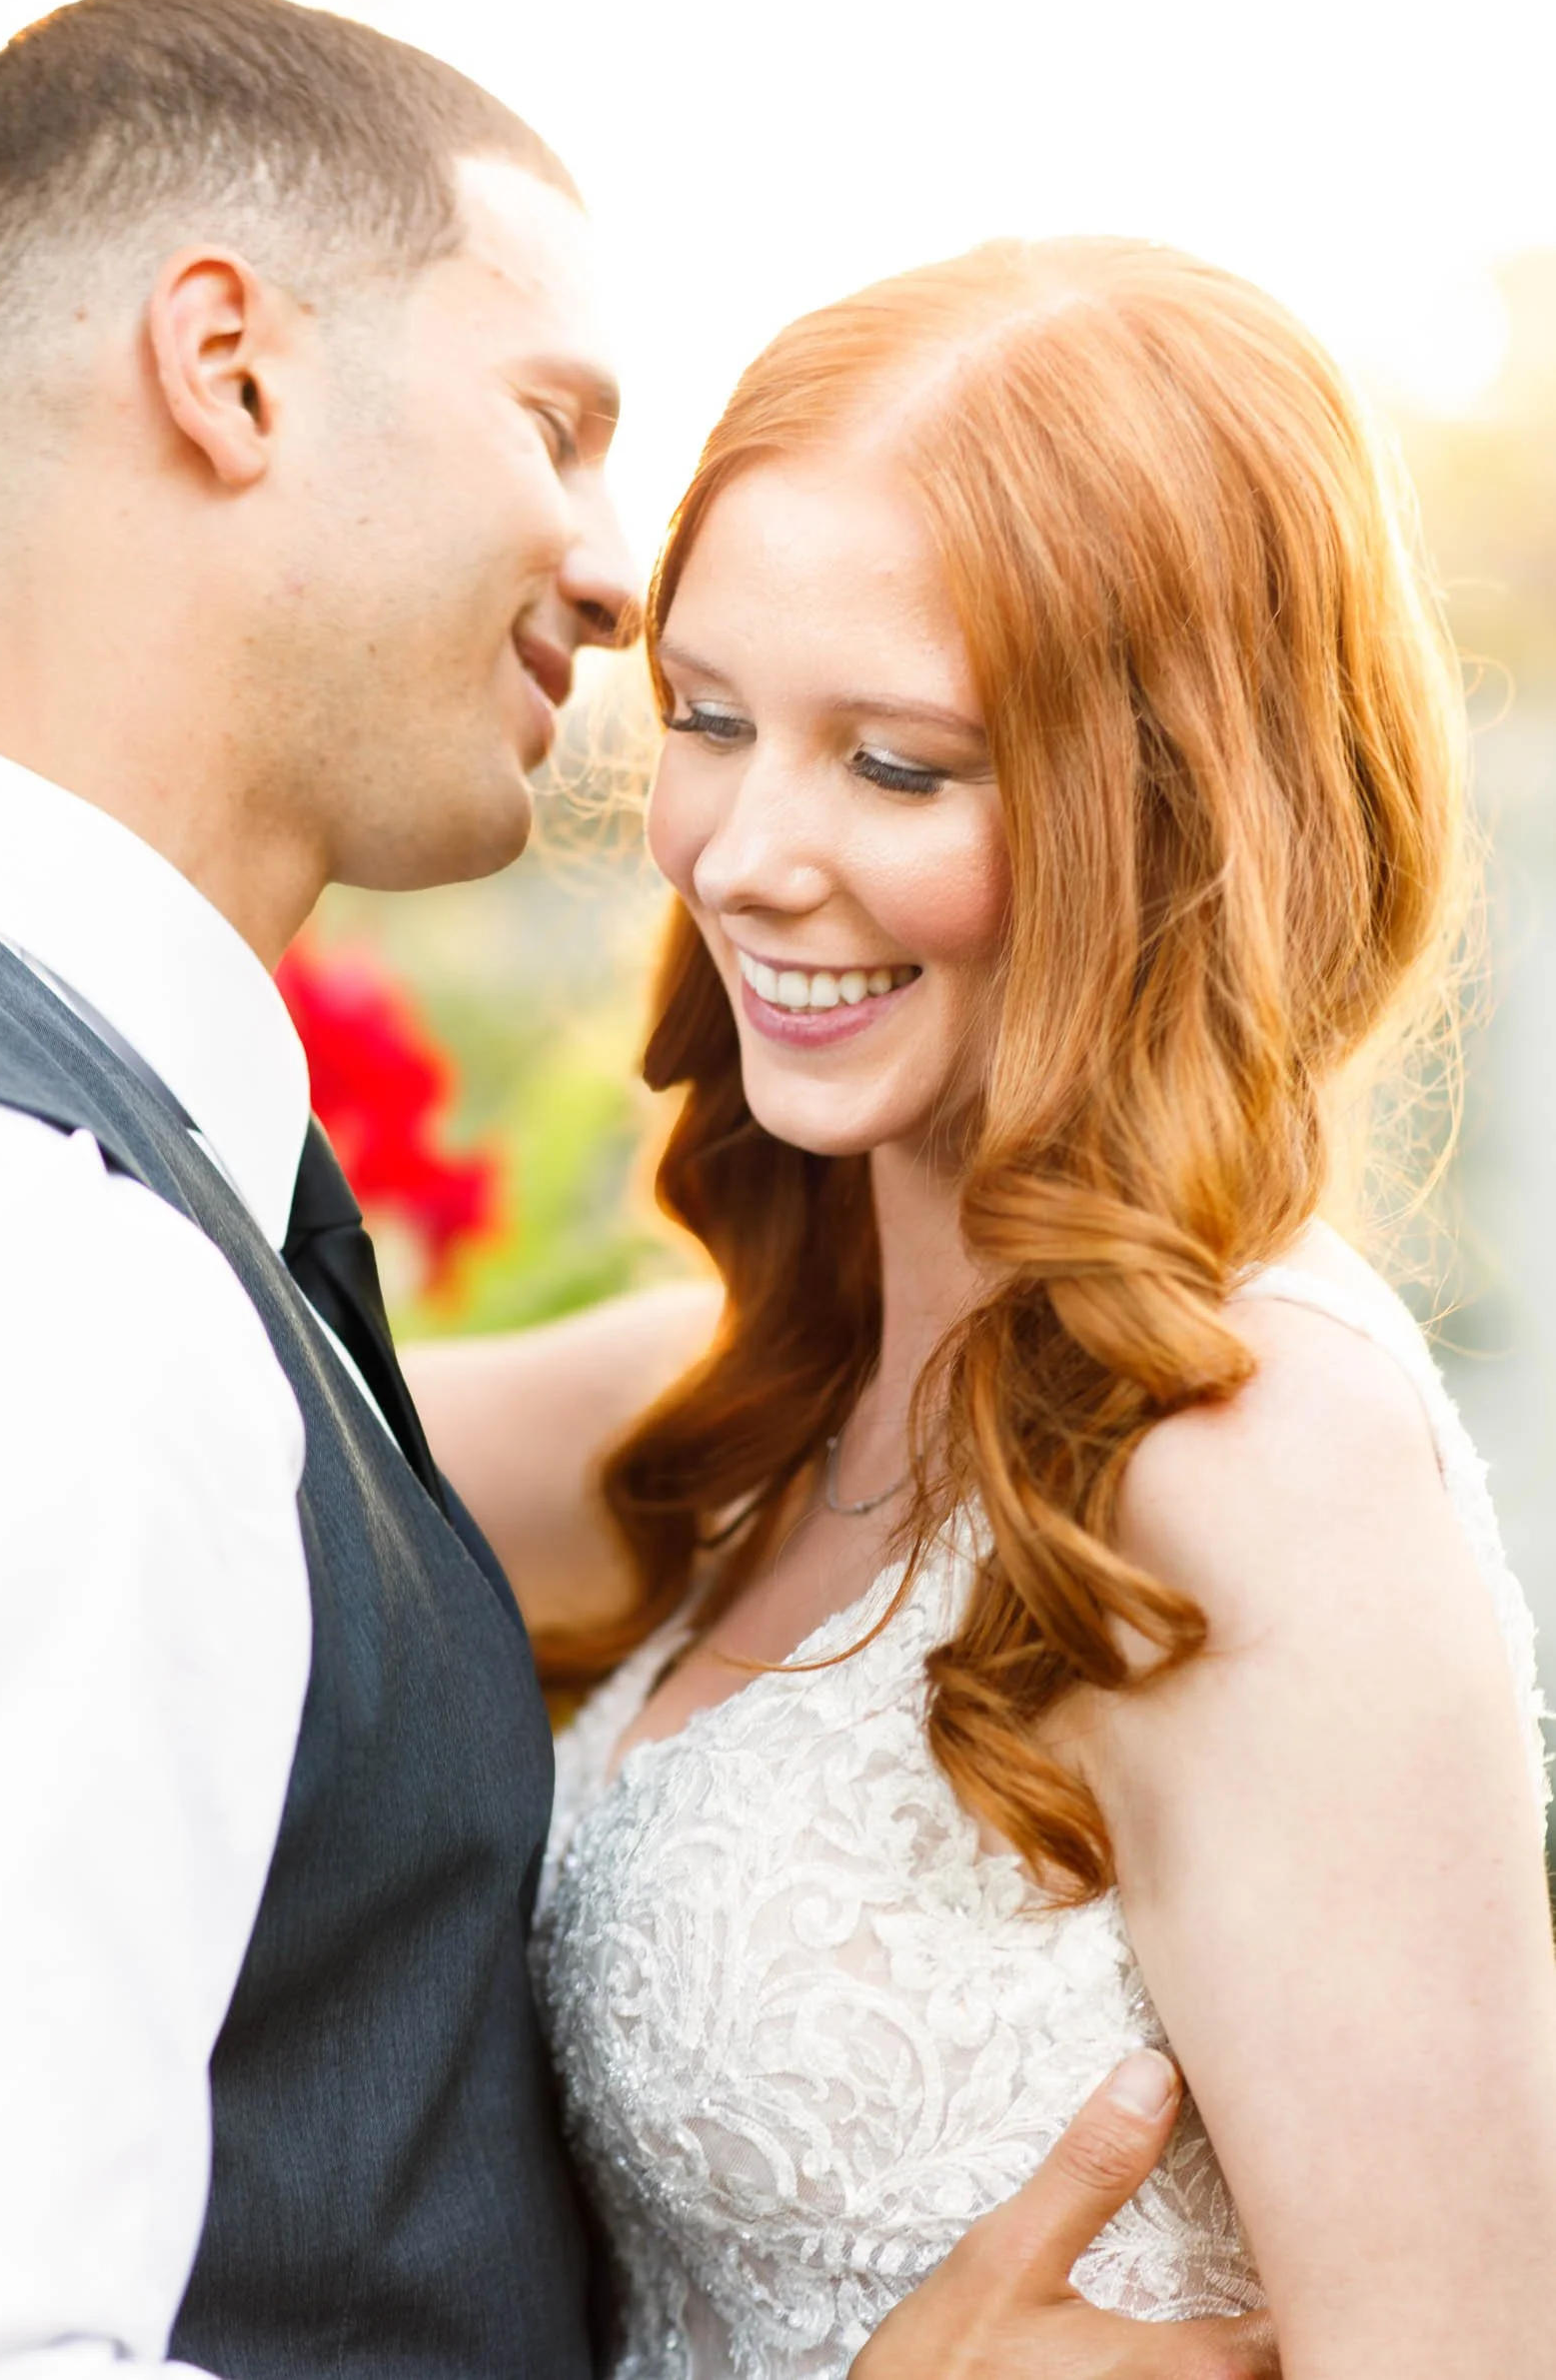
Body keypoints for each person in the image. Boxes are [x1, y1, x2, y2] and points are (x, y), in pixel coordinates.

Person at [0, 0, 1271, 2380]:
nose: (619, 574)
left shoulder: (70, 1192)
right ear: (227, 369)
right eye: (551, 422)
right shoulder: (31, 1257)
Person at [409, 237, 1556, 2375]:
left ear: (1172, 815)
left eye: (899, 765)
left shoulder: (1251, 1458)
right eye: (711, 719)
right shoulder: (764, 1397)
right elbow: (156, 1407)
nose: (742, 852)